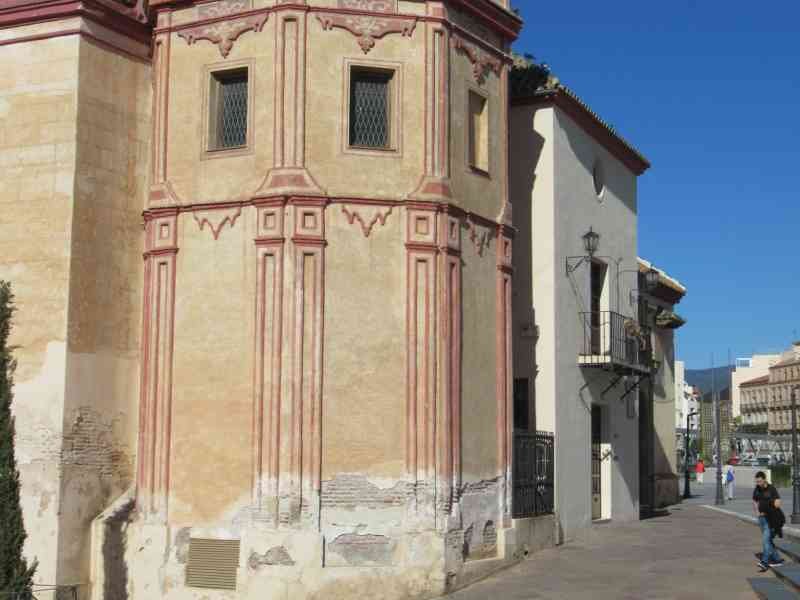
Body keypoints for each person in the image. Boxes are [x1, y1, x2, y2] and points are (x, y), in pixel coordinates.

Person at [753, 471, 785, 570]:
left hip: (771, 519)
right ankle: (777, 559)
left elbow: (778, 503)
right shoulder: (757, 489)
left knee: (765, 540)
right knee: (768, 540)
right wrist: (757, 512)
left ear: (764, 480)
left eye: (759, 481)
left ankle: (764, 562)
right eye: (756, 482)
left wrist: (769, 502)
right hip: (762, 518)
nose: (758, 483)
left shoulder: (771, 489)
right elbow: (754, 500)